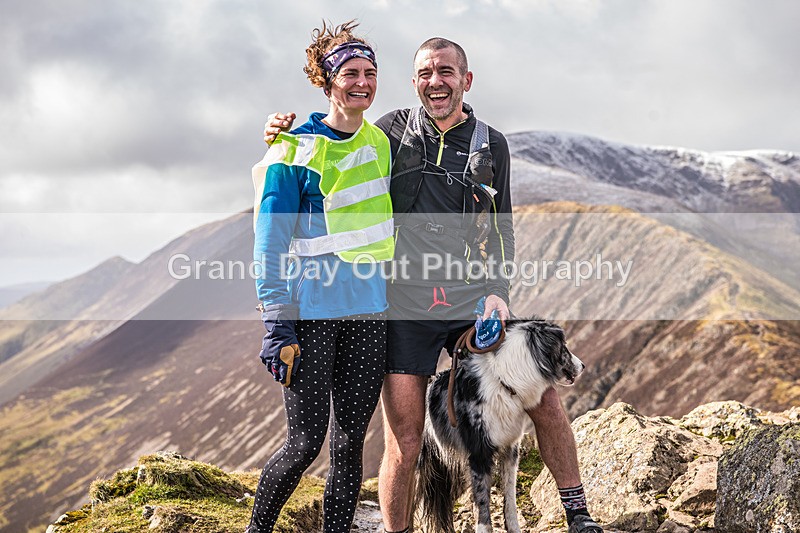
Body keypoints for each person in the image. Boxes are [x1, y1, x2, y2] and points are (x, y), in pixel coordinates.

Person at [264, 38, 604, 533]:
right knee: (405, 437)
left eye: (446, 72)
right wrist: (278, 133)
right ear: (414, 81)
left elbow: (501, 226)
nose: (435, 82)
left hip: (471, 302)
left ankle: (579, 515)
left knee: (545, 400)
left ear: (467, 80)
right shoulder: (390, 134)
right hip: (402, 304)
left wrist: (498, 292)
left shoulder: (492, 143)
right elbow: (331, 144)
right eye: (425, 73)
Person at [248, 20, 394, 533]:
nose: (362, 82)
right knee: (305, 444)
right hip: (310, 316)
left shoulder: (381, 141)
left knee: (351, 443)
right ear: (326, 81)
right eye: (350, 72)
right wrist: (275, 321)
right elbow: (269, 239)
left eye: (370, 72)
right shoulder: (294, 146)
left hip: (370, 313)